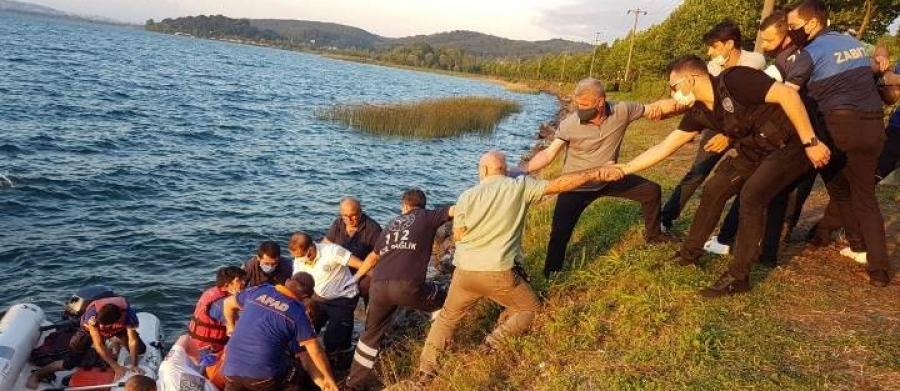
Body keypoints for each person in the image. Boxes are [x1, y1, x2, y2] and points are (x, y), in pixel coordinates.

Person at [609, 54, 829, 297]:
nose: (673, 94)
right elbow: (665, 146)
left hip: (794, 143)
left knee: (751, 197)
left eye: (674, 87)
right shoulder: (699, 111)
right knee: (715, 189)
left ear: (690, 80)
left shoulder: (736, 79)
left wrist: (811, 142)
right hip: (756, 146)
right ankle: (689, 254)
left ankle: (738, 277)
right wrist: (624, 169)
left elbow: (788, 95)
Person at [414, 150, 623, 383]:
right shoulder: (519, 187)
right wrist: (595, 173)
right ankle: (492, 343)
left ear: (482, 171)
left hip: (464, 273)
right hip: (498, 272)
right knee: (531, 308)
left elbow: (459, 235)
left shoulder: (467, 196)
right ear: (505, 169)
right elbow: (560, 184)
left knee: (447, 319)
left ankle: (426, 371)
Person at [521, 78, 681, 278]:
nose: (580, 109)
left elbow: (653, 109)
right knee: (559, 233)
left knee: (651, 191)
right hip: (576, 186)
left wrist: (684, 103)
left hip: (609, 178)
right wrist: (522, 169)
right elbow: (548, 154)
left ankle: (654, 235)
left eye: (585, 105)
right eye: (578, 104)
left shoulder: (622, 110)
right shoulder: (570, 124)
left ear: (600, 102)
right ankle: (551, 274)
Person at [787, 0, 893, 286]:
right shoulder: (854, 44)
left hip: (839, 127)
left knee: (837, 186)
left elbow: (789, 94)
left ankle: (857, 243)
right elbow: (877, 66)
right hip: (873, 126)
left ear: (812, 23)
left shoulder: (809, 53)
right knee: (865, 197)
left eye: (793, 26)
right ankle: (879, 269)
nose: (790, 31)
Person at [660, 20, 767, 233]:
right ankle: (666, 217)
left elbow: (756, 105)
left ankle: (729, 233)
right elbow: (698, 97)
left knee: (746, 180)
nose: (709, 52)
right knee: (698, 171)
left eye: (714, 46)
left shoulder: (755, 61)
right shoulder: (709, 68)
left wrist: (729, 137)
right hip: (715, 125)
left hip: (745, 130)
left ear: (729, 44)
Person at [342, 189, 454, 390]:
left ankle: (353, 383)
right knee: (447, 298)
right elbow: (455, 209)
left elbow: (372, 257)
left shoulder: (391, 225)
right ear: (422, 205)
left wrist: (356, 278)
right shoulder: (427, 216)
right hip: (407, 286)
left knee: (369, 336)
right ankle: (435, 348)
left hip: (378, 287)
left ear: (404, 206)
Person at [221, 272, 338, 391]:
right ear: (306, 297)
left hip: (229, 370)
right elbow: (313, 353)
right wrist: (327, 379)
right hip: (263, 378)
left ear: (287, 281)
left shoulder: (260, 290)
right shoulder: (298, 313)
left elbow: (227, 303)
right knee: (296, 375)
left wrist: (231, 327)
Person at [27, 295, 147, 389]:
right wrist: (115, 366)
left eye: (108, 327)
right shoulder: (93, 319)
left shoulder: (129, 316)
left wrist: (134, 365)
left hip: (118, 330)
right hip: (88, 332)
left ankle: (115, 340)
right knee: (69, 363)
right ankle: (37, 375)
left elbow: (133, 340)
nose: (105, 329)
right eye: (103, 327)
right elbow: (99, 344)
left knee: (140, 350)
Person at [289, 231, 374, 356]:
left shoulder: (332, 251)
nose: (299, 260)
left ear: (311, 248)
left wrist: (381, 280)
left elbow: (363, 265)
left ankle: (342, 349)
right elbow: (297, 284)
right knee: (305, 328)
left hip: (343, 298)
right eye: (297, 257)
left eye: (302, 256)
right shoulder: (299, 260)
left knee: (335, 342)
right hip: (318, 298)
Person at [323, 196, 382, 302]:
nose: (349, 219)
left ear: (360, 212)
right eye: (345, 216)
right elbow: (326, 244)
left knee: (366, 286)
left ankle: (369, 310)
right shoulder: (338, 223)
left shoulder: (373, 230)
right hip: (341, 268)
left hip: (364, 270)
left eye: (353, 215)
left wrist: (357, 277)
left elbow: (378, 257)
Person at [187, 266, 247, 358]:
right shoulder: (220, 304)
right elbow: (242, 325)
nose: (244, 283)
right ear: (227, 284)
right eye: (239, 280)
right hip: (208, 350)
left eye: (244, 280)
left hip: (198, 343)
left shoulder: (213, 292)